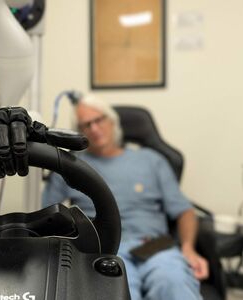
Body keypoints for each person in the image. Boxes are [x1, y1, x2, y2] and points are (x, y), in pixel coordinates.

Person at [42, 95, 209, 300]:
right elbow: (46, 217)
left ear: (113, 122)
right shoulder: (70, 165)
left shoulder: (151, 160)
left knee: (174, 281)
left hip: (155, 247)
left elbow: (185, 211)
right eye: (86, 125)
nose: (94, 129)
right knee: (117, 290)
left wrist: (188, 248)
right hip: (104, 250)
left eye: (99, 120)